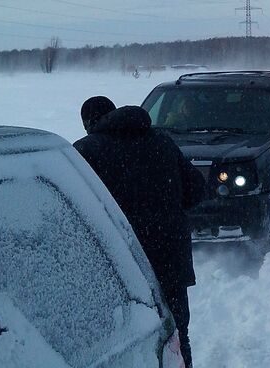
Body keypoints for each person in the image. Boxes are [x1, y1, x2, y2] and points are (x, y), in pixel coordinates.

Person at [74, 99, 205, 368]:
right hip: (170, 260)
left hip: (120, 266)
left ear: (89, 123)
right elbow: (196, 190)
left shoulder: (86, 151)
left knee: (124, 346)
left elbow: (75, 214)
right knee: (177, 338)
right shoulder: (161, 142)